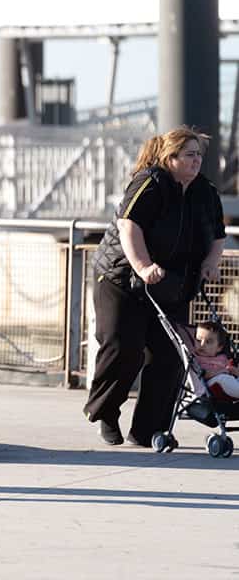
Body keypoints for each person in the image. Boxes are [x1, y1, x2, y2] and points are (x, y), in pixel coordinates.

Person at [84, 126, 226, 447]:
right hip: (121, 278)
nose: (196, 161)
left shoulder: (204, 191)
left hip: (170, 283)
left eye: (199, 156)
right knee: (124, 346)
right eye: (189, 155)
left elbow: (217, 234)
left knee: (170, 355)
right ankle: (104, 412)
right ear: (170, 158)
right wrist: (144, 266)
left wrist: (210, 262)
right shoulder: (151, 182)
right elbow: (128, 225)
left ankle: (148, 430)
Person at [192, 321, 239, 399]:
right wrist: (222, 372)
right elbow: (203, 374)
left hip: (227, 380)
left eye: (208, 342)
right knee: (223, 379)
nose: (202, 345)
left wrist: (233, 371)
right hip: (206, 385)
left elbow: (228, 368)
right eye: (198, 340)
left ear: (219, 348)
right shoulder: (196, 358)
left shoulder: (221, 357)